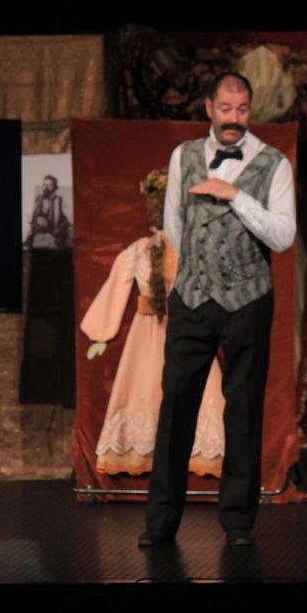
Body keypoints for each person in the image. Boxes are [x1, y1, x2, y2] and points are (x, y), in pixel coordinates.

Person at [138, 72, 296, 548]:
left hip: (247, 300)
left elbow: (283, 236)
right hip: (192, 298)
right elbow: (174, 225)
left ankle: (238, 522)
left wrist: (237, 197)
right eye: (226, 109)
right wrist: (195, 274)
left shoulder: (274, 164)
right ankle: (161, 521)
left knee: (243, 409)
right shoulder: (183, 156)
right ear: (209, 107)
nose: (234, 118)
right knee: (176, 407)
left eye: (242, 109)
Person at [80, 168, 225, 478]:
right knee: (148, 386)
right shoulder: (142, 251)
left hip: (187, 331)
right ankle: (142, 451)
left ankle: (196, 451)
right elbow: (116, 290)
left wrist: (101, 331)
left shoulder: (193, 250)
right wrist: (101, 333)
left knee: (193, 390)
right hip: (158, 332)